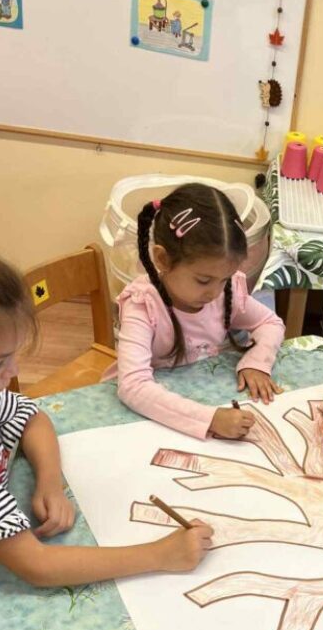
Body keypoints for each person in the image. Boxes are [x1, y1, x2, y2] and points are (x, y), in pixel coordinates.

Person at [0, 234, 212, 630]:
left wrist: (49, 481)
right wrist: (162, 554)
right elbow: (37, 565)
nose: (13, 372)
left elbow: (31, 417)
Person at [104, 183, 285, 440]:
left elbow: (270, 323)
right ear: (162, 259)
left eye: (225, 279)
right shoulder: (143, 305)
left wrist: (257, 362)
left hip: (193, 398)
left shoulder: (226, 291)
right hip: (142, 412)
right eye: (203, 280)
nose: (215, 292)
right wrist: (210, 419)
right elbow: (133, 386)